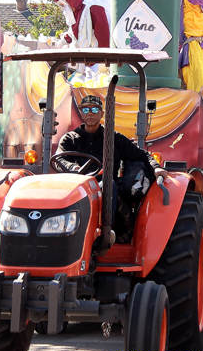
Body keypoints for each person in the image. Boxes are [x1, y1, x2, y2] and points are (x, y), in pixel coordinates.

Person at [56, 95, 169, 242]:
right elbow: (59, 159)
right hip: (76, 187)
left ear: (102, 114)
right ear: (81, 113)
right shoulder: (70, 139)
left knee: (109, 185)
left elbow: (142, 155)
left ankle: (105, 234)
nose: (90, 113)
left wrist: (156, 168)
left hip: (105, 186)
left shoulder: (114, 138)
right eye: (86, 109)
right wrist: (73, 167)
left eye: (95, 109)